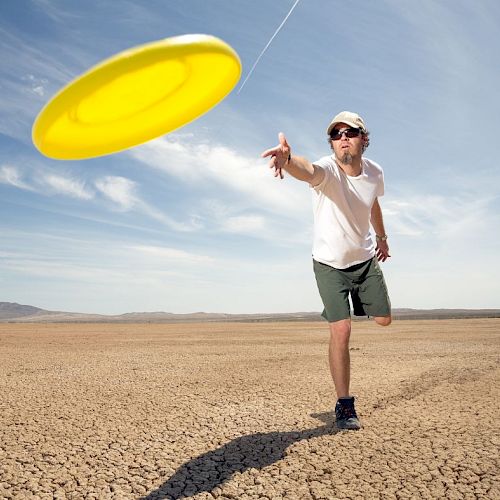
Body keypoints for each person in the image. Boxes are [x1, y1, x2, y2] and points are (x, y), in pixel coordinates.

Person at [261, 111, 392, 430]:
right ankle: (345, 405)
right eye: (336, 134)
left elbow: (373, 202)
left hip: (363, 260)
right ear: (332, 144)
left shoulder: (375, 172)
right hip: (329, 264)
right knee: (342, 329)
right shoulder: (328, 170)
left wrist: (382, 237)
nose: (342, 137)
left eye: (350, 131)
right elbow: (308, 170)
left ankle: (360, 297)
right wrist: (288, 158)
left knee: (384, 320)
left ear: (363, 138)